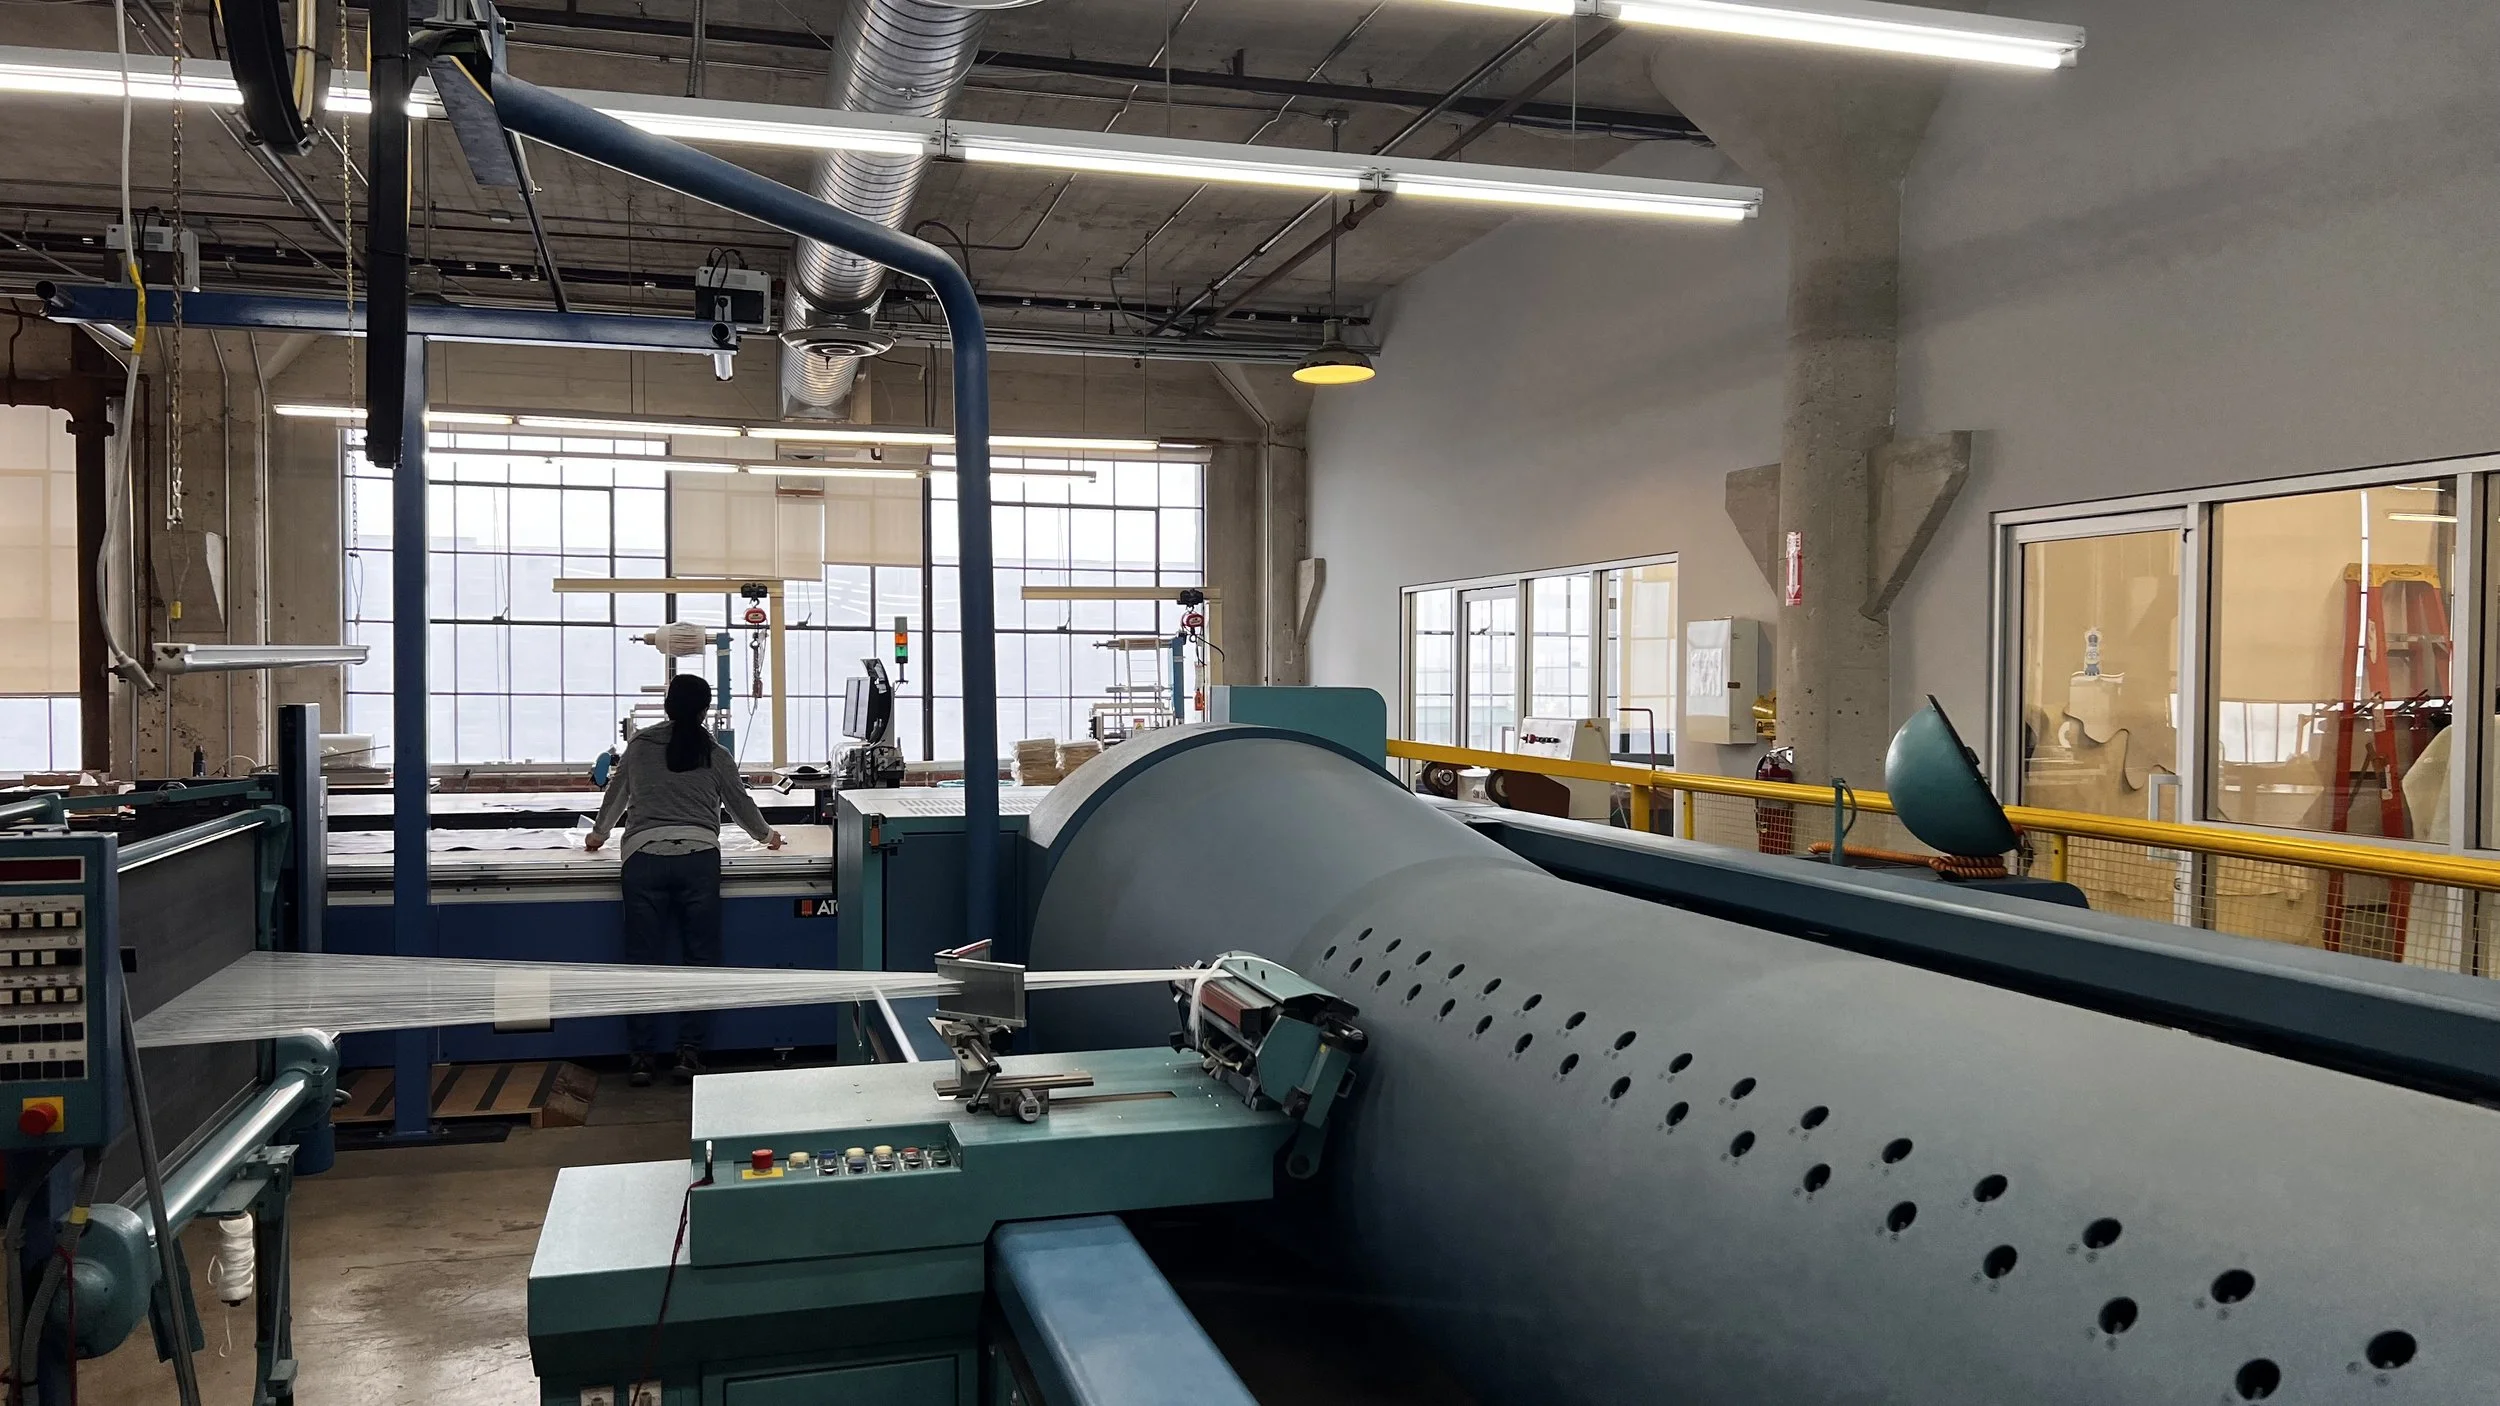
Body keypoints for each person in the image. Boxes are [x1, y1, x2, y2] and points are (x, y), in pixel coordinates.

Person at [587, 673, 783, 1086]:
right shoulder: (714, 751)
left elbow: (616, 796)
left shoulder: (638, 747)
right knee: (700, 962)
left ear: (666, 706)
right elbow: (739, 803)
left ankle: (641, 1059)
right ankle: (688, 1054)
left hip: (643, 859)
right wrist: (768, 836)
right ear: (704, 710)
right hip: (698, 861)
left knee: (642, 964)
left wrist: (599, 834)